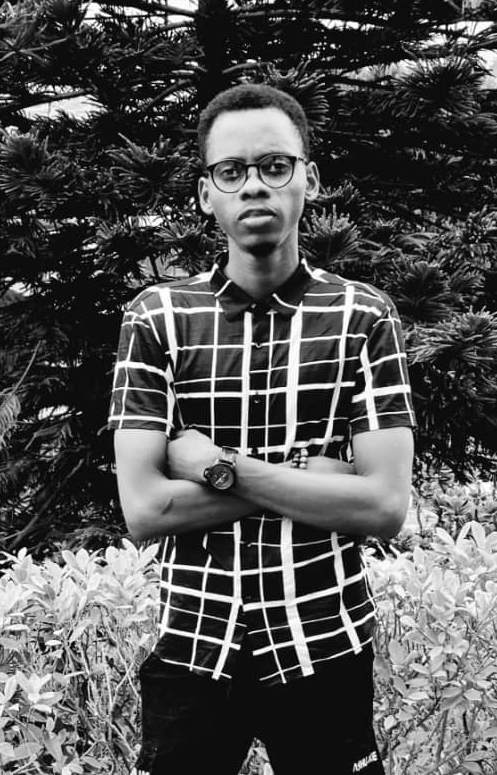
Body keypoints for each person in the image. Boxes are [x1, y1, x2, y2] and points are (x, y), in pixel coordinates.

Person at [108, 84, 416, 775]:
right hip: (194, 641)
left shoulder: (363, 317)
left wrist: (215, 466)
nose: (254, 186)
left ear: (310, 179)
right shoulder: (156, 318)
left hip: (325, 642)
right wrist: (315, 476)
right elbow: (146, 510)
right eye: (231, 171)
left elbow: (383, 507)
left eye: (275, 166)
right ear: (204, 194)